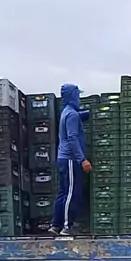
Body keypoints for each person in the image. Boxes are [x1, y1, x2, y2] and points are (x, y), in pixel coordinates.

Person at [49, 84, 92, 236]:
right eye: (77, 95)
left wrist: (92, 112)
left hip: (62, 159)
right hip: (70, 159)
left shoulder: (67, 112)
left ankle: (55, 225)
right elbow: (72, 138)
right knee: (72, 193)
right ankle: (67, 227)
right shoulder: (72, 115)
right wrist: (82, 159)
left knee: (63, 193)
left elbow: (78, 117)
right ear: (73, 96)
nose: (79, 98)